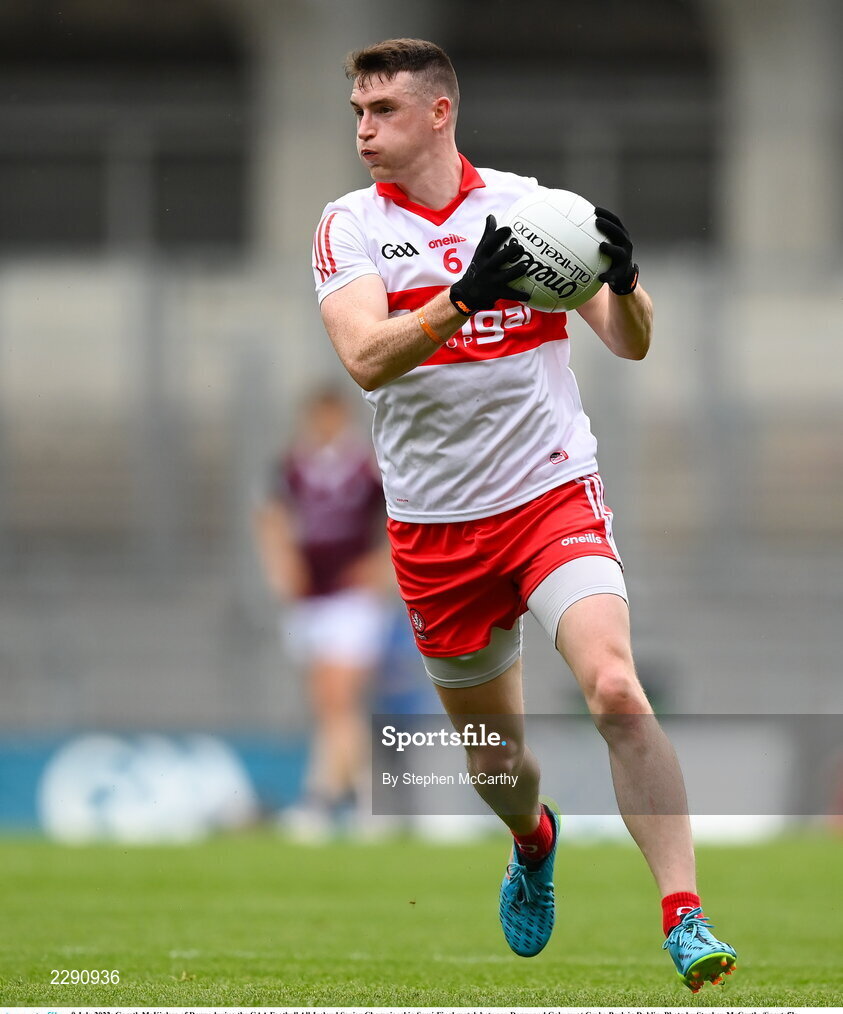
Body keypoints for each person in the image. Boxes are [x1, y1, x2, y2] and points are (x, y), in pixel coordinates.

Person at [312, 38, 737, 990]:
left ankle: (683, 915)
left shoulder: (534, 212)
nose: (364, 130)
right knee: (498, 765)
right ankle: (533, 841)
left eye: (382, 110)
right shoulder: (349, 225)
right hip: (434, 527)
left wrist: (622, 282)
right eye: (357, 113)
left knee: (615, 688)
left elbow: (628, 343)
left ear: (439, 112)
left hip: (548, 495)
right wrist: (463, 298)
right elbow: (365, 359)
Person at [255, 386, 391, 838]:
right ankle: (363, 800)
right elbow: (271, 517)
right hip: (310, 598)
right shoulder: (294, 467)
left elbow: (399, 516)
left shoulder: (365, 466)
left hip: (352, 597)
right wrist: (281, 565)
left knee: (336, 697)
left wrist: (380, 567)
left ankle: (319, 798)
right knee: (332, 705)